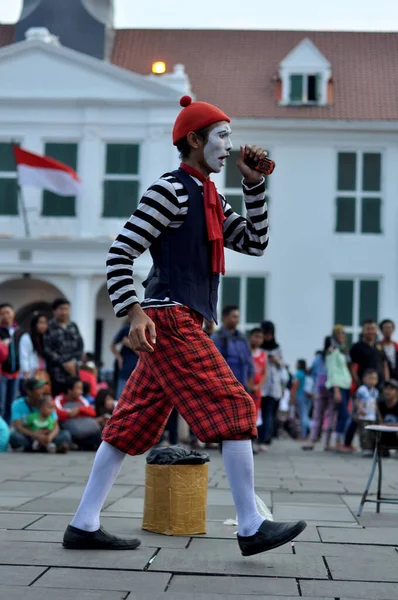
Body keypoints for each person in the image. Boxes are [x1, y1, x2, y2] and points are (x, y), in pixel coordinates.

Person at [63, 95, 306, 554]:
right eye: (222, 136)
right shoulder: (170, 189)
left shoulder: (210, 196)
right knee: (235, 406)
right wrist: (131, 310)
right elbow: (120, 253)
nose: (230, 147)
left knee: (128, 425)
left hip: (179, 317)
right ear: (194, 140)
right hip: (168, 316)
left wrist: (254, 186)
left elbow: (255, 243)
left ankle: (83, 524)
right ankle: (251, 525)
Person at [9, 378, 71, 452]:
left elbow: (56, 426)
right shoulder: (17, 404)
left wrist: (49, 437)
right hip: (30, 435)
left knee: (66, 435)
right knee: (15, 437)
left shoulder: (47, 403)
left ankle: (39, 446)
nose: (42, 391)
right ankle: (46, 447)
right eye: (38, 389)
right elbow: (19, 427)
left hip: (47, 434)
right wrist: (35, 435)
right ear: (29, 391)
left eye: (42, 388)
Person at [44, 298, 84, 397]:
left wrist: (74, 362)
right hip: (56, 374)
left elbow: (80, 345)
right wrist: (64, 363)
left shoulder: (73, 326)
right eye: (61, 309)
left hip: (73, 373)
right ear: (54, 311)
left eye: (67, 309)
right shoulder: (48, 327)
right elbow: (48, 349)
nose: (64, 312)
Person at [212, 306, 254, 390]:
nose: (237, 320)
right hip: (225, 387)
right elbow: (213, 363)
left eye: (238, 317)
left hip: (243, 387)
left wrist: (250, 379)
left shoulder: (242, 338)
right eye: (234, 317)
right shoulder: (216, 338)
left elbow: (249, 361)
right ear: (225, 317)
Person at [54, 377, 102, 450]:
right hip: (71, 430)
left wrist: (79, 410)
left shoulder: (81, 399)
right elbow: (57, 413)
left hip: (85, 430)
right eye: (78, 388)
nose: (81, 392)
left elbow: (92, 412)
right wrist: (70, 414)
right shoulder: (58, 399)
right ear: (69, 390)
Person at [325, 326, 352, 452]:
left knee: (343, 414)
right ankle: (337, 442)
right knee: (343, 414)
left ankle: (338, 441)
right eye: (339, 333)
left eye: (343, 333)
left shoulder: (343, 350)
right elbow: (332, 370)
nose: (341, 335)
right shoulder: (333, 349)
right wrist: (335, 389)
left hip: (346, 385)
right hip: (338, 385)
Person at [302, 344, 334, 451]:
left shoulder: (332, 356)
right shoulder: (320, 358)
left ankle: (324, 442)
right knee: (318, 416)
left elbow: (311, 371)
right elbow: (312, 371)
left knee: (327, 417)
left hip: (330, 389)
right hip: (322, 389)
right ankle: (315, 440)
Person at [259, 321, 284, 448]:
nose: (267, 337)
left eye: (269, 334)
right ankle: (257, 437)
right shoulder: (258, 347)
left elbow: (282, 366)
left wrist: (276, 360)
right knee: (258, 413)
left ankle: (265, 438)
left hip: (272, 386)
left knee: (268, 413)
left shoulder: (277, 348)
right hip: (259, 384)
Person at [0, 303, 23, 423]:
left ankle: (7, 433)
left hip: (16, 373)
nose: (5, 315)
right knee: (1, 404)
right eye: (2, 313)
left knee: (11, 404)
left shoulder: (19, 331)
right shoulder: (0, 331)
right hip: (2, 372)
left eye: (7, 312)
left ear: (13, 313)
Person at [350, 320, 389, 387]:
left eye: (373, 329)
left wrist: (387, 381)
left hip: (380, 384)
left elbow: (384, 364)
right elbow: (351, 366)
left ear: (376, 330)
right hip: (364, 384)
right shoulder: (356, 347)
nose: (370, 331)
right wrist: (357, 382)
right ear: (362, 330)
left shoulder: (379, 346)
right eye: (368, 329)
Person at [247, 328, 267, 449]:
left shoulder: (263, 355)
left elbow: (265, 373)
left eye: (260, 337)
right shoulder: (246, 353)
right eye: (255, 336)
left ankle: (253, 442)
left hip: (257, 390)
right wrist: (248, 384)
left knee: (255, 415)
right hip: (245, 387)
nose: (257, 339)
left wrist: (257, 385)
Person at [110, 322, 139, 399]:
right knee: (120, 397)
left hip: (137, 371)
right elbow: (112, 344)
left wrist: (130, 344)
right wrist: (119, 358)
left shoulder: (143, 331)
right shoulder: (126, 329)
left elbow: (143, 354)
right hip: (124, 370)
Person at [356, 368, 378, 457]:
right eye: (370, 378)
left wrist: (378, 414)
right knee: (364, 433)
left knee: (372, 434)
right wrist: (360, 409)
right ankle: (365, 448)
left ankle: (371, 448)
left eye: (375, 379)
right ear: (364, 379)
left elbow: (375, 403)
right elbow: (357, 400)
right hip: (364, 416)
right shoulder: (362, 389)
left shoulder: (375, 391)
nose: (372, 381)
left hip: (372, 416)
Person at [19, 314, 48, 380]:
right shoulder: (26, 337)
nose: (43, 325)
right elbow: (23, 357)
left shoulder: (44, 338)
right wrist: (27, 375)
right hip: (29, 375)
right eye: (41, 323)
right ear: (35, 324)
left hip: (41, 375)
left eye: (45, 323)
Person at [376, 379, 398, 453]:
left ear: (397, 392)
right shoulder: (380, 404)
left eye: (391, 389)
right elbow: (379, 422)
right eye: (386, 388)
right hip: (385, 434)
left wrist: (388, 425)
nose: (387, 391)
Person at [291, 359, 311, 439]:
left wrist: (293, 398)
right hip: (305, 396)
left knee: (303, 416)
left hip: (300, 395)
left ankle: (303, 434)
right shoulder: (304, 374)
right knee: (305, 415)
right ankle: (306, 433)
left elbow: (295, 386)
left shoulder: (298, 373)